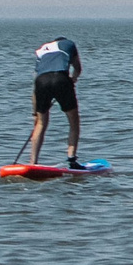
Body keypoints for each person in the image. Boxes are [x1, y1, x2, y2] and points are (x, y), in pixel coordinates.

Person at [28, 34, 82, 166]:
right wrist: (72, 80)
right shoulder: (69, 44)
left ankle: (33, 162)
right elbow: (78, 69)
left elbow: (35, 85)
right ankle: (72, 159)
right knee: (73, 120)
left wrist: (35, 113)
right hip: (61, 78)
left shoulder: (42, 49)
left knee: (40, 124)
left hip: (41, 82)